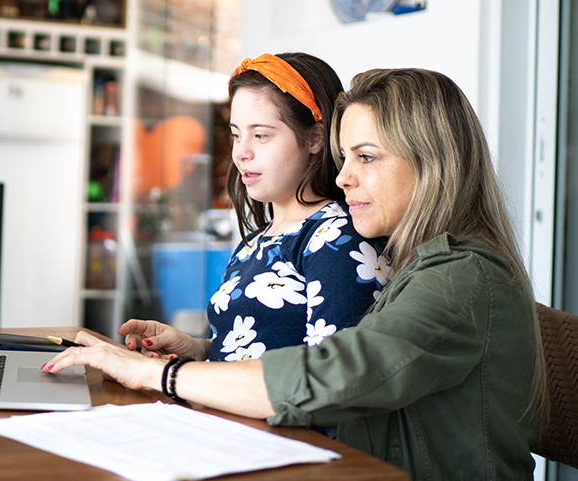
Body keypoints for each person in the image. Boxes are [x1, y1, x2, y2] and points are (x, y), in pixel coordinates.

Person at [43, 68, 546, 479]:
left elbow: (335, 373)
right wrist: (200, 350)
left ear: (435, 163)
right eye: (345, 156)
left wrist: (156, 374)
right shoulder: (429, 264)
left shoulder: (461, 277)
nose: (344, 176)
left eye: (366, 157)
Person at [123, 53, 386, 364]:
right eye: (236, 135)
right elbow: (256, 347)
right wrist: (198, 349)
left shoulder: (338, 237)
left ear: (316, 137)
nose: (241, 153)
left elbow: (327, 379)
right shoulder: (258, 241)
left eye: (261, 135)